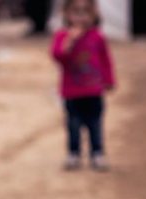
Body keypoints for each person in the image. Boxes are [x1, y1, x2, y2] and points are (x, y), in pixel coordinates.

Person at [51, 0, 115, 170]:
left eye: (86, 12)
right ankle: (73, 153)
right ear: (66, 14)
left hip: (94, 90)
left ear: (94, 14)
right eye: (76, 12)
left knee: (95, 124)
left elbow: (106, 60)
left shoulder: (97, 37)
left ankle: (97, 153)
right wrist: (69, 42)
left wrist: (109, 80)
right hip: (72, 91)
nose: (81, 17)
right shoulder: (62, 36)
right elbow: (57, 56)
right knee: (73, 124)